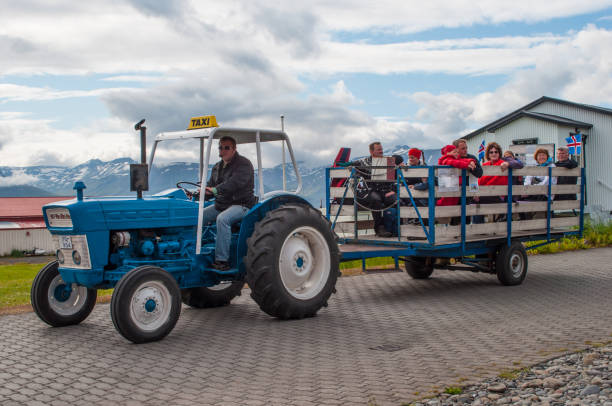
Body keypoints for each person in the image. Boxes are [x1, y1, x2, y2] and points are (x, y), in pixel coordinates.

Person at [202, 136, 257, 271]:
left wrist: (215, 190)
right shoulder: (217, 167)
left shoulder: (243, 164)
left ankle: (222, 261)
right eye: (221, 147)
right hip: (222, 204)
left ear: (234, 149)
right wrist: (203, 192)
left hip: (242, 204)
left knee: (223, 219)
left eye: (227, 147)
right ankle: (197, 250)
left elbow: (234, 183)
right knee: (199, 216)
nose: (223, 150)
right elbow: (211, 185)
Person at [353, 142, 403, 237]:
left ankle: (396, 227)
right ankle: (379, 228)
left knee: (397, 200)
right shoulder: (363, 162)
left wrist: (399, 169)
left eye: (381, 149)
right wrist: (347, 166)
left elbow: (394, 177)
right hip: (371, 190)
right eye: (378, 149)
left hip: (385, 190)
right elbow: (352, 164)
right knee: (376, 200)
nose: (381, 151)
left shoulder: (388, 161)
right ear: (372, 151)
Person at [474, 142, 523, 222]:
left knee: (479, 201)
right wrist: (476, 193)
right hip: (485, 194)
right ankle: (477, 228)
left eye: (496, 152)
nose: (494, 154)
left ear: (499, 153)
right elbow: (478, 181)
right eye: (491, 152)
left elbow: (519, 164)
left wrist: (507, 163)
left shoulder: (502, 163)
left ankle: (480, 228)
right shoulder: (485, 165)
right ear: (488, 154)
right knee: (472, 201)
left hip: (498, 195)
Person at [522, 148, 556, 219]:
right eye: (539, 155)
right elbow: (528, 179)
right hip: (534, 192)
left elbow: (547, 182)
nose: (541, 157)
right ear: (536, 157)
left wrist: (533, 186)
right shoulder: (535, 166)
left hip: (546, 194)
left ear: (547, 156)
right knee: (521, 202)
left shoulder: (551, 166)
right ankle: (527, 223)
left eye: (543, 155)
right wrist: (529, 187)